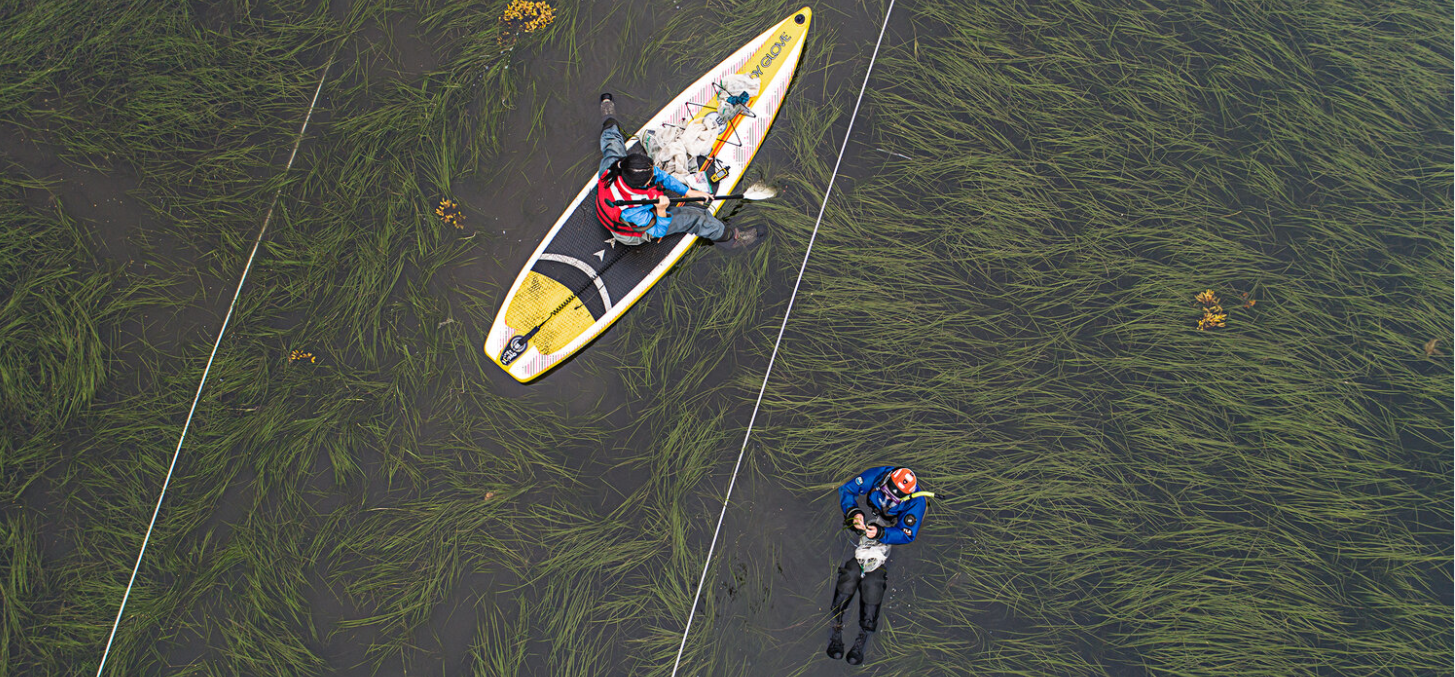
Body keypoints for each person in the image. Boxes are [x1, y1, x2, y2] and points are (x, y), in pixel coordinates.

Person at [594, 93, 761, 248]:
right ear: (641, 185)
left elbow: (660, 175)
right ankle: (731, 239)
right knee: (696, 217)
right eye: (651, 177)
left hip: (629, 199)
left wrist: (688, 192)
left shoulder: (614, 167)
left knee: (612, 145)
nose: (656, 173)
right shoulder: (633, 211)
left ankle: (609, 118)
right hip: (633, 231)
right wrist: (661, 210)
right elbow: (658, 230)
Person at [827, 466, 930, 665]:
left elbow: (907, 534)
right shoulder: (876, 476)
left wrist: (882, 534)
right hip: (864, 526)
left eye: (894, 498)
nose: (888, 498)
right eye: (886, 492)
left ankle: (865, 631)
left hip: (887, 537)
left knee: (874, 583)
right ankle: (836, 623)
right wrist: (854, 512)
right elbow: (847, 489)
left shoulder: (916, 503)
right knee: (850, 574)